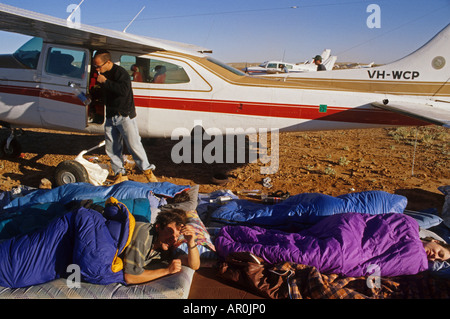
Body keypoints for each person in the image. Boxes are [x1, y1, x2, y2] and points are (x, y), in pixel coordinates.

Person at [93, 50, 158, 184]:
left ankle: (148, 172)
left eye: (99, 66)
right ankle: (120, 174)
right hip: (111, 116)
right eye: (96, 66)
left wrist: (106, 82)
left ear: (108, 62)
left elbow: (123, 91)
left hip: (125, 115)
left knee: (134, 145)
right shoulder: (102, 75)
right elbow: (106, 94)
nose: (97, 69)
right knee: (112, 147)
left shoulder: (120, 73)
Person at [121, 209, 200, 284]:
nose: (173, 239)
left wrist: (191, 242)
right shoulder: (144, 235)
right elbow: (130, 277)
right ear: (158, 227)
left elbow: (194, 265)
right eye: (169, 231)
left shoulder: (165, 246)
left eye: (177, 236)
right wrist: (167, 271)